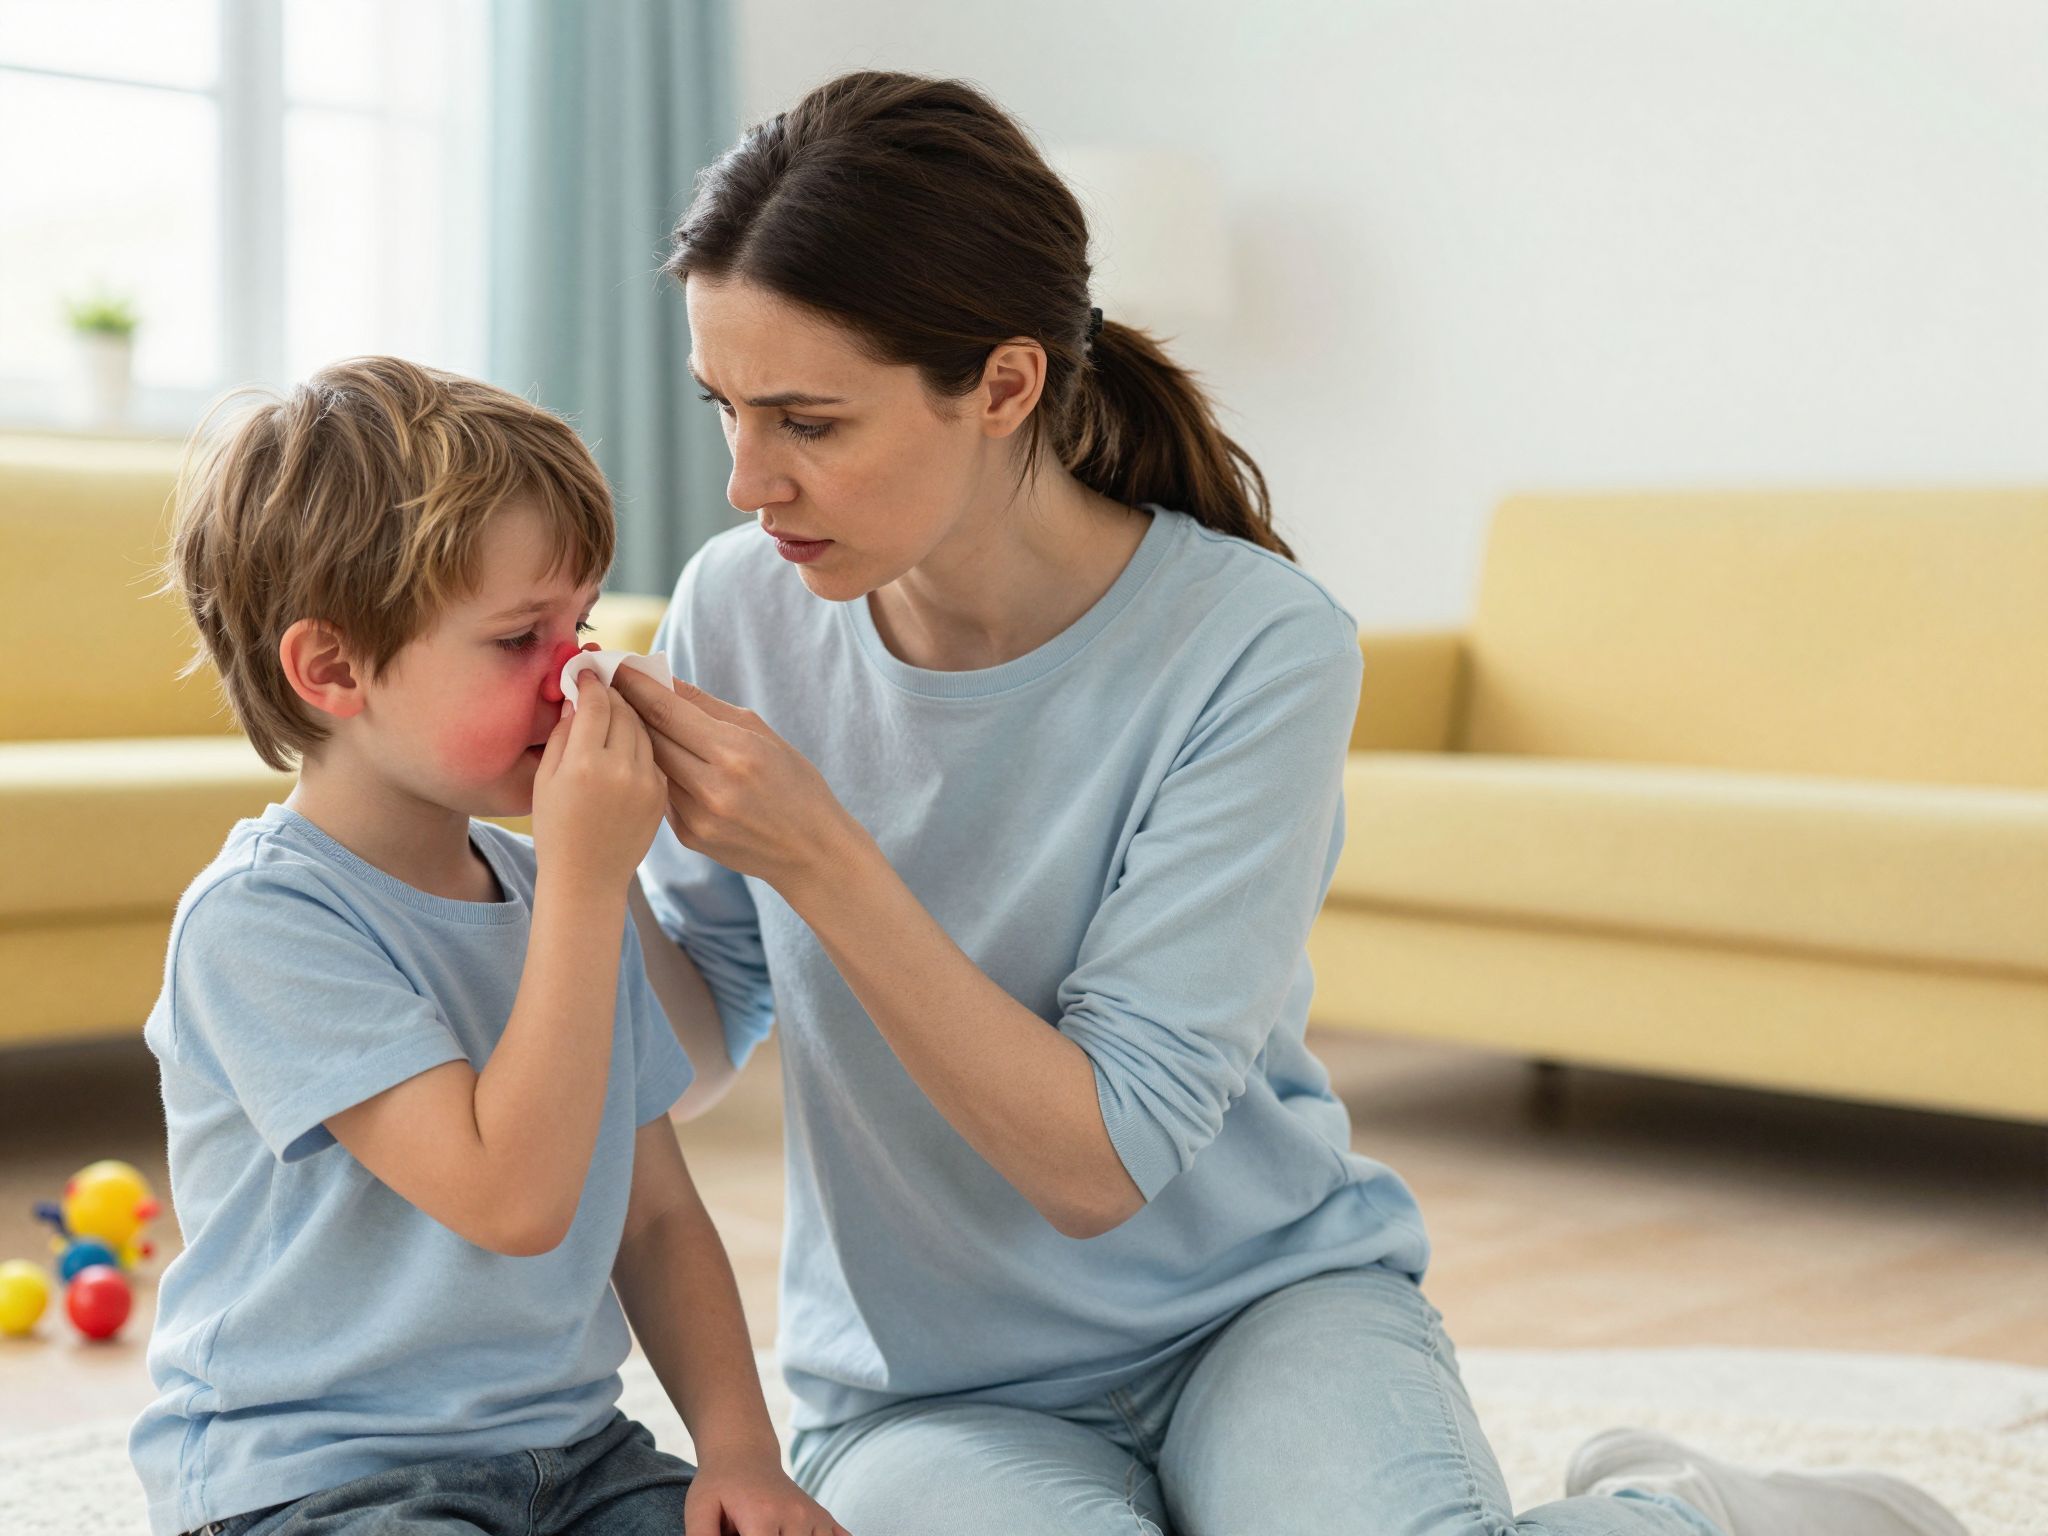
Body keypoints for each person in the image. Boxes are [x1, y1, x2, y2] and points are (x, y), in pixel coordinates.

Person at [611, 71, 1968, 1536]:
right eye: (725, 408)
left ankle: (1718, 1515)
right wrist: (562, 877)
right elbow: (694, 1039)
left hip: (1258, 1317)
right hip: (931, 1388)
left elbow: (1100, 1161)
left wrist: (820, 857)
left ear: (1004, 386)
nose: (749, 479)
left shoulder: (1255, 646)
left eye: (810, 420)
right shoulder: (737, 611)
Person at [131, 357, 846, 1536]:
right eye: (521, 638)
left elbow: (656, 1216)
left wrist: (741, 1455)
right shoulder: (260, 924)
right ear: (332, 669)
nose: (577, 674)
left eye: (579, 625)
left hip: (571, 1454)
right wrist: (584, 879)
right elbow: (510, 1200)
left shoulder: (553, 887)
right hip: (319, 1473)